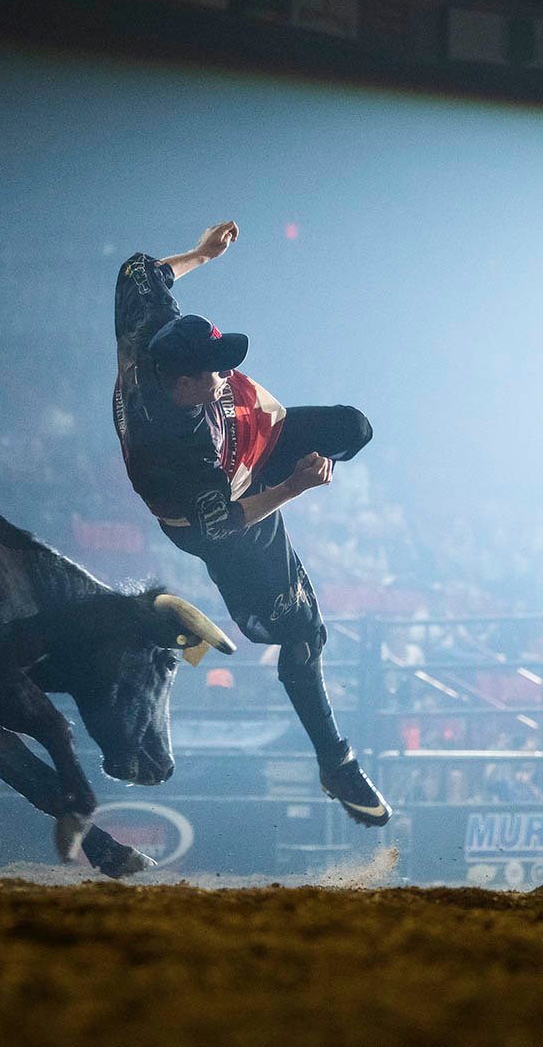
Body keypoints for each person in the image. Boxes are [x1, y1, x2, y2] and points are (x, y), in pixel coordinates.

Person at [112, 221, 391, 827]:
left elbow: (139, 271)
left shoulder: (148, 331)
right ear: (183, 384)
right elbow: (221, 526)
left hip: (255, 446)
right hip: (224, 507)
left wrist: (200, 255)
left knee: (352, 428)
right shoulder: (178, 448)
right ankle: (336, 761)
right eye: (214, 372)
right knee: (300, 631)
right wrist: (291, 489)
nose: (224, 377)